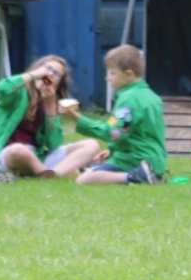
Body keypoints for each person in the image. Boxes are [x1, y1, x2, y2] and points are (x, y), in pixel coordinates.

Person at [0, 55, 101, 180]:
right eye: (47, 68)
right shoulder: (18, 91)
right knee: (18, 150)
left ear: (57, 85)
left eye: (56, 74)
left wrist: (50, 106)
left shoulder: (50, 102)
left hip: (37, 156)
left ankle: (54, 173)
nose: (49, 74)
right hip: (7, 154)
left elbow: (54, 143)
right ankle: (45, 172)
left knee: (92, 145)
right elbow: (2, 88)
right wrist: (35, 74)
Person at [65, 45, 164, 185]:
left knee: (83, 180)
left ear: (129, 74)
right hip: (155, 161)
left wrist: (75, 118)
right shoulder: (152, 97)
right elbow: (136, 134)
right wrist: (112, 152)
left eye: (113, 73)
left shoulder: (128, 100)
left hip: (136, 160)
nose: (108, 78)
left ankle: (136, 177)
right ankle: (147, 175)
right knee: (92, 166)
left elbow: (113, 133)